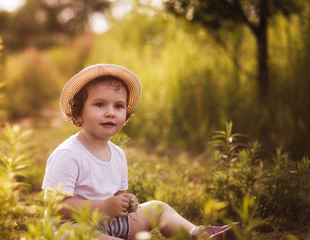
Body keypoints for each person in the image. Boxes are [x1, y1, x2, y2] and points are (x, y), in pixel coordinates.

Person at [42, 64, 236, 240]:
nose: (110, 112)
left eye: (118, 106)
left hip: (109, 223)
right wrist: (104, 206)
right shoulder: (69, 154)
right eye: (100, 104)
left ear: (125, 114)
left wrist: (126, 203)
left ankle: (197, 234)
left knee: (158, 209)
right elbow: (57, 206)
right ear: (78, 112)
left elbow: (118, 196)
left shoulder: (117, 154)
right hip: (71, 227)